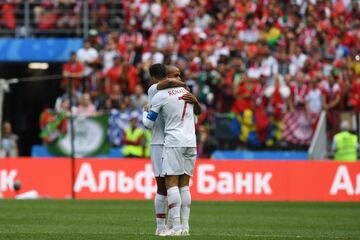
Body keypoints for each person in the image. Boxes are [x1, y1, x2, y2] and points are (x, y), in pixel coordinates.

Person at [143, 66, 198, 236]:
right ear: (167, 77)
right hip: (165, 142)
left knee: (165, 186)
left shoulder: (163, 92)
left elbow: (148, 122)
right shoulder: (158, 89)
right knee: (169, 185)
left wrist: (143, 112)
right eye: (177, 75)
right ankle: (166, 227)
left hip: (165, 141)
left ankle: (169, 227)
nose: (180, 77)